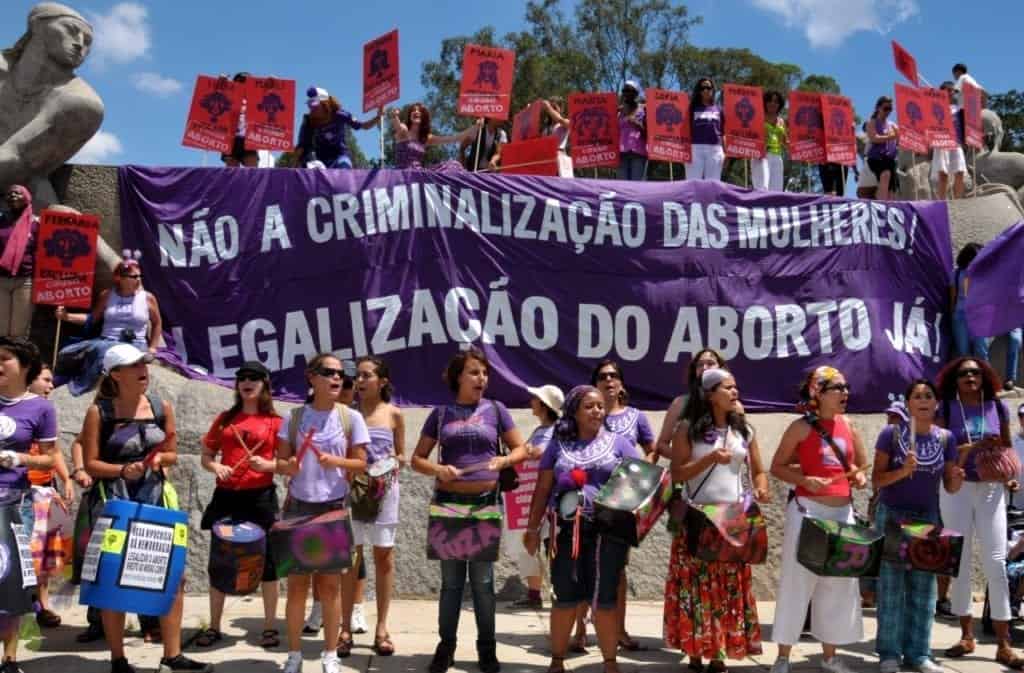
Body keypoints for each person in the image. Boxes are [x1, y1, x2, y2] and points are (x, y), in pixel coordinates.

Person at [80, 343, 210, 673]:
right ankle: (118, 659)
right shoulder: (99, 412)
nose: (144, 370)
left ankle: (172, 655)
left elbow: (172, 452)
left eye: (144, 364)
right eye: (135, 365)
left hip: (156, 499)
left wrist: (158, 459)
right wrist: (123, 469)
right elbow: (91, 463)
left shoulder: (160, 406)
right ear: (115, 374)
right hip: (115, 502)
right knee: (113, 578)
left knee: (173, 576)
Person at [411, 347, 528, 673]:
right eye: (474, 372)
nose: (482, 379)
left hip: (485, 506)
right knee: (451, 584)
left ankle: (486, 649)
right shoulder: (441, 414)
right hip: (448, 506)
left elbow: (520, 449)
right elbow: (417, 459)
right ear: (458, 377)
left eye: (485, 373)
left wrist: (504, 460)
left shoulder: (497, 410)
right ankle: (446, 647)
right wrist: (438, 470)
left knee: (483, 584)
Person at [523, 385, 641, 673]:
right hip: (566, 532)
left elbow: (641, 482)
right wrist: (532, 529)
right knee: (564, 596)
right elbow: (543, 489)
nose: (597, 411)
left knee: (605, 599)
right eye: (589, 406)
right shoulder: (557, 445)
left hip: (608, 534)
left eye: (600, 406)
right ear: (574, 412)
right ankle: (557, 661)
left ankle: (610, 663)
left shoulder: (620, 444)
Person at [664, 368, 768, 673]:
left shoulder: (744, 431)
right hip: (699, 518)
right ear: (710, 395)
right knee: (697, 588)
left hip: (732, 520)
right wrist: (709, 458)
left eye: (736, 387)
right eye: (727, 387)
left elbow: (758, 471)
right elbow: (677, 473)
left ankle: (719, 652)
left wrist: (761, 488)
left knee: (727, 587)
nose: (735, 392)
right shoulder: (687, 429)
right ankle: (695, 651)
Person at [769, 365, 869, 673]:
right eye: (838, 388)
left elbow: (860, 465)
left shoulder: (848, 424)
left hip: (842, 512)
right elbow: (777, 467)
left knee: (838, 586)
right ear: (819, 394)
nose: (845, 393)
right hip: (808, 512)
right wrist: (805, 480)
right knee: (797, 584)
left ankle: (829, 657)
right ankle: (783, 657)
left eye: (846, 387)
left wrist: (860, 477)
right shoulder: (800, 428)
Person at [275, 353, 370, 673]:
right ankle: (294, 655)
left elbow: (361, 464)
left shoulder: (350, 417)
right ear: (311, 377)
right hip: (298, 507)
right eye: (329, 372)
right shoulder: (294, 417)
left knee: (330, 588)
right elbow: (282, 463)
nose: (337, 378)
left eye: (341, 373)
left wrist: (336, 461)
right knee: (296, 587)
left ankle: (330, 655)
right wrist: (288, 465)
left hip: (333, 508)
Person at [936, 357, 1024, 669]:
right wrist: (970, 449)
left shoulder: (997, 407)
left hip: (991, 489)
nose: (970, 376)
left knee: (996, 562)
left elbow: (1006, 446)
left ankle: (1003, 643)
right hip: (956, 489)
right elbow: (940, 451)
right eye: (964, 373)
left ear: (984, 376)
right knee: (958, 561)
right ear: (955, 378)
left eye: (975, 372)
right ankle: (966, 636)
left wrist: (1007, 473)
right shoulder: (946, 409)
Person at [872, 379, 963, 673]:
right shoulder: (891, 434)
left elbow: (949, 487)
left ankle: (919, 653)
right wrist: (903, 471)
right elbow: (877, 480)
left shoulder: (946, 439)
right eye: (917, 396)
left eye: (928, 396)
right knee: (891, 588)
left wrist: (957, 479)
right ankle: (889, 654)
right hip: (893, 516)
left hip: (927, 517)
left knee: (924, 589)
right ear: (908, 403)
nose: (923, 400)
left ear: (936, 403)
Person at [196, 361, 282, 649]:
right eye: (242, 378)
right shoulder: (225, 419)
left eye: (254, 378)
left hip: (260, 498)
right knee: (220, 562)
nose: (247, 382)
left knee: (268, 563)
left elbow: (288, 462)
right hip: (227, 497)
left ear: (264, 384)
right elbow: (207, 455)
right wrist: (216, 467)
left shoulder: (275, 422)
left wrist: (268, 465)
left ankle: (269, 626)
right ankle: (214, 626)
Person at [0, 337, 57, 673]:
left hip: (14, 501)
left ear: (24, 367)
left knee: (11, 579)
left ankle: (9, 659)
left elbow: (50, 458)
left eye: (4, 359)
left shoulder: (41, 408)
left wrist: (19, 458)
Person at [589, 359, 654, 652]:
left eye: (614, 375)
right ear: (595, 384)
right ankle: (580, 631)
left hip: (620, 504)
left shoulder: (636, 417)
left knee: (617, 568)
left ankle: (619, 630)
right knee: (584, 563)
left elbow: (651, 450)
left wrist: (638, 479)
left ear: (621, 383)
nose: (609, 380)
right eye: (603, 376)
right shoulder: (585, 414)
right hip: (588, 499)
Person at [348, 356, 405, 656]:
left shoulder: (394, 414)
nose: (359, 380)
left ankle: (382, 627)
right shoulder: (347, 413)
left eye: (366, 375)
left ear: (382, 381)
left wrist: (393, 462)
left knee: (384, 557)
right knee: (350, 559)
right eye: (357, 375)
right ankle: (344, 627)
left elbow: (402, 455)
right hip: (352, 492)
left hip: (384, 492)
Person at [55, 255, 162, 395]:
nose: (138, 279)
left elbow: (157, 323)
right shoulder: (107, 295)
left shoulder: (147, 298)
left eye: (139, 276)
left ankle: (80, 388)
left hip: (135, 343)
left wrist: (153, 348)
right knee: (67, 352)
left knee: (104, 353)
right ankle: (67, 377)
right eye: (134, 276)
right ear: (120, 278)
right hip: (107, 339)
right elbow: (91, 319)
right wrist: (66, 316)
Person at [505, 384, 563, 611]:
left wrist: (532, 451)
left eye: (535, 399)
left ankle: (561, 593)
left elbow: (547, 454)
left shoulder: (560, 430)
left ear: (544, 405)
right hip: (531, 496)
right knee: (528, 543)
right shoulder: (539, 430)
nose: (531, 402)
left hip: (552, 499)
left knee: (552, 546)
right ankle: (534, 594)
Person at [25, 364, 73, 629]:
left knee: (43, 553)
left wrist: (66, 479)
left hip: (43, 491)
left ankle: (42, 606)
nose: (51, 386)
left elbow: (53, 451)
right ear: (28, 379)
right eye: (45, 380)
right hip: (17, 492)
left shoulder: (45, 412)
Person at [655, 349, 729, 460]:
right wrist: (689, 462)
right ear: (694, 371)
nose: (704, 368)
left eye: (710, 363)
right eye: (700, 365)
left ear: (721, 368)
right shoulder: (680, 403)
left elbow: (744, 443)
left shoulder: (733, 404)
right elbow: (662, 445)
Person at [295, 87, 381, 169]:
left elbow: (364, 126)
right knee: (309, 166)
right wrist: (295, 166)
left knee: (344, 167)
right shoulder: (309, 121)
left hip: (340, 156)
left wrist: (377, 118)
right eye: (309, 105)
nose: (312, 108)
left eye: (315, 105)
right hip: (319, 160)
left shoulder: (340, 115)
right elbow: (302, 146)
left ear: (325, 104)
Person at [389, 103, 481, 170]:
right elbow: (398, 126)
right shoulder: (404, 130)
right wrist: (394, 116)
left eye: (420, 111)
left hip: (418, 174)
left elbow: (453, 138)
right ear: (410, 116)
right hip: (402, 174)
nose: (416, 112)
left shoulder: (426, 138)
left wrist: (476, 127)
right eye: (413, 110)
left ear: (424, 117)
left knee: (454, 165)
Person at [0, 186, 38, 338]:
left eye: (17, 192)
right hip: (1, 280)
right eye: (9, 193)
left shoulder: (36, 223)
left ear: (27, 198)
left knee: (18, 332)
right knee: (1, 330)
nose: (13, 195)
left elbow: (41, 251)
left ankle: (16, 354)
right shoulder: (0, 220)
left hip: (25, 282)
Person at [220, 73, 274, 168]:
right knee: (231, 173)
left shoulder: (255, 97)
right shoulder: (230, 96)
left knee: (252, 172)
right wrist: (222, 82)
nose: (243, 84)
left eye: (247, 82)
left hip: (250, 139)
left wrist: (272, 83)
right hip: (232, 139)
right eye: (240, 81)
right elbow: (218, 93)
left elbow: (268, 93)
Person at [931, 82, 967, 200]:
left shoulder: (959, 109)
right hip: (942, 143)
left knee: (960, 172)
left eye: (953, 91)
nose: (951, 93)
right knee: (943, 174)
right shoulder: (934, 107)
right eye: (949, 90)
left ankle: (958, 202)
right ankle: (942, 202)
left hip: (956, 142)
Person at [686, 78, 724, 181]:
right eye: (702, 88)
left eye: (708, 87)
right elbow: (684, 130)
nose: (705, 90)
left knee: (713, 183)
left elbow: (724, 132)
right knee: (693, 182)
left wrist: (726, 152)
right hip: (695, 149)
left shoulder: (719, 109)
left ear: (713, 89)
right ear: (698, 91)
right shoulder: (691, 109)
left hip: (715, 150)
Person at [752, 91, 787, 192]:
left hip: (777, 157)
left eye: (776, 101)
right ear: (764, 102)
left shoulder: (781, 121)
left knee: (777, 191)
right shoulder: (758, 117)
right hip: (762, 156)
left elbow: (784, 141)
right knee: (762, 187)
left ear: (779, 104)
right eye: (770, 100)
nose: (772, 103)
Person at [866, 96, 899, 201]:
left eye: (890, 109)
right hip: (877, 158)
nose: (888, 111)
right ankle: (881, 204)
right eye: (885, 108)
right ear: (878, 108)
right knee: (885, 174)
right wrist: (890, 137)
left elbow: (899, 139)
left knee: (892, 188)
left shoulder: (893, 125)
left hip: (891, 159)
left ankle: (888, 205)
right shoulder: (872, 122)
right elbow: (874, 138)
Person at [618, 80, 647, 181]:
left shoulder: (643, 110)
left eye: (629, 90)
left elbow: (649, 133)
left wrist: (637, 123)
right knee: (622, 184)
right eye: (624, 90)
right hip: (621, 152)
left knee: (637, 184)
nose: (626, 93)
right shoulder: (619, 112)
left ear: (636, 93)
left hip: (638, 153)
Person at [541, 98, 573, 178]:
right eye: (551, 107)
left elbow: (560, 119)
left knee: (563, 182)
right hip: (547, 159)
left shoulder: (565, 123)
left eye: (554, 107)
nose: (552, 110)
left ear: (561, 109)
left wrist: (548, 107)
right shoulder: (545, 129)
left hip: (560, 157)